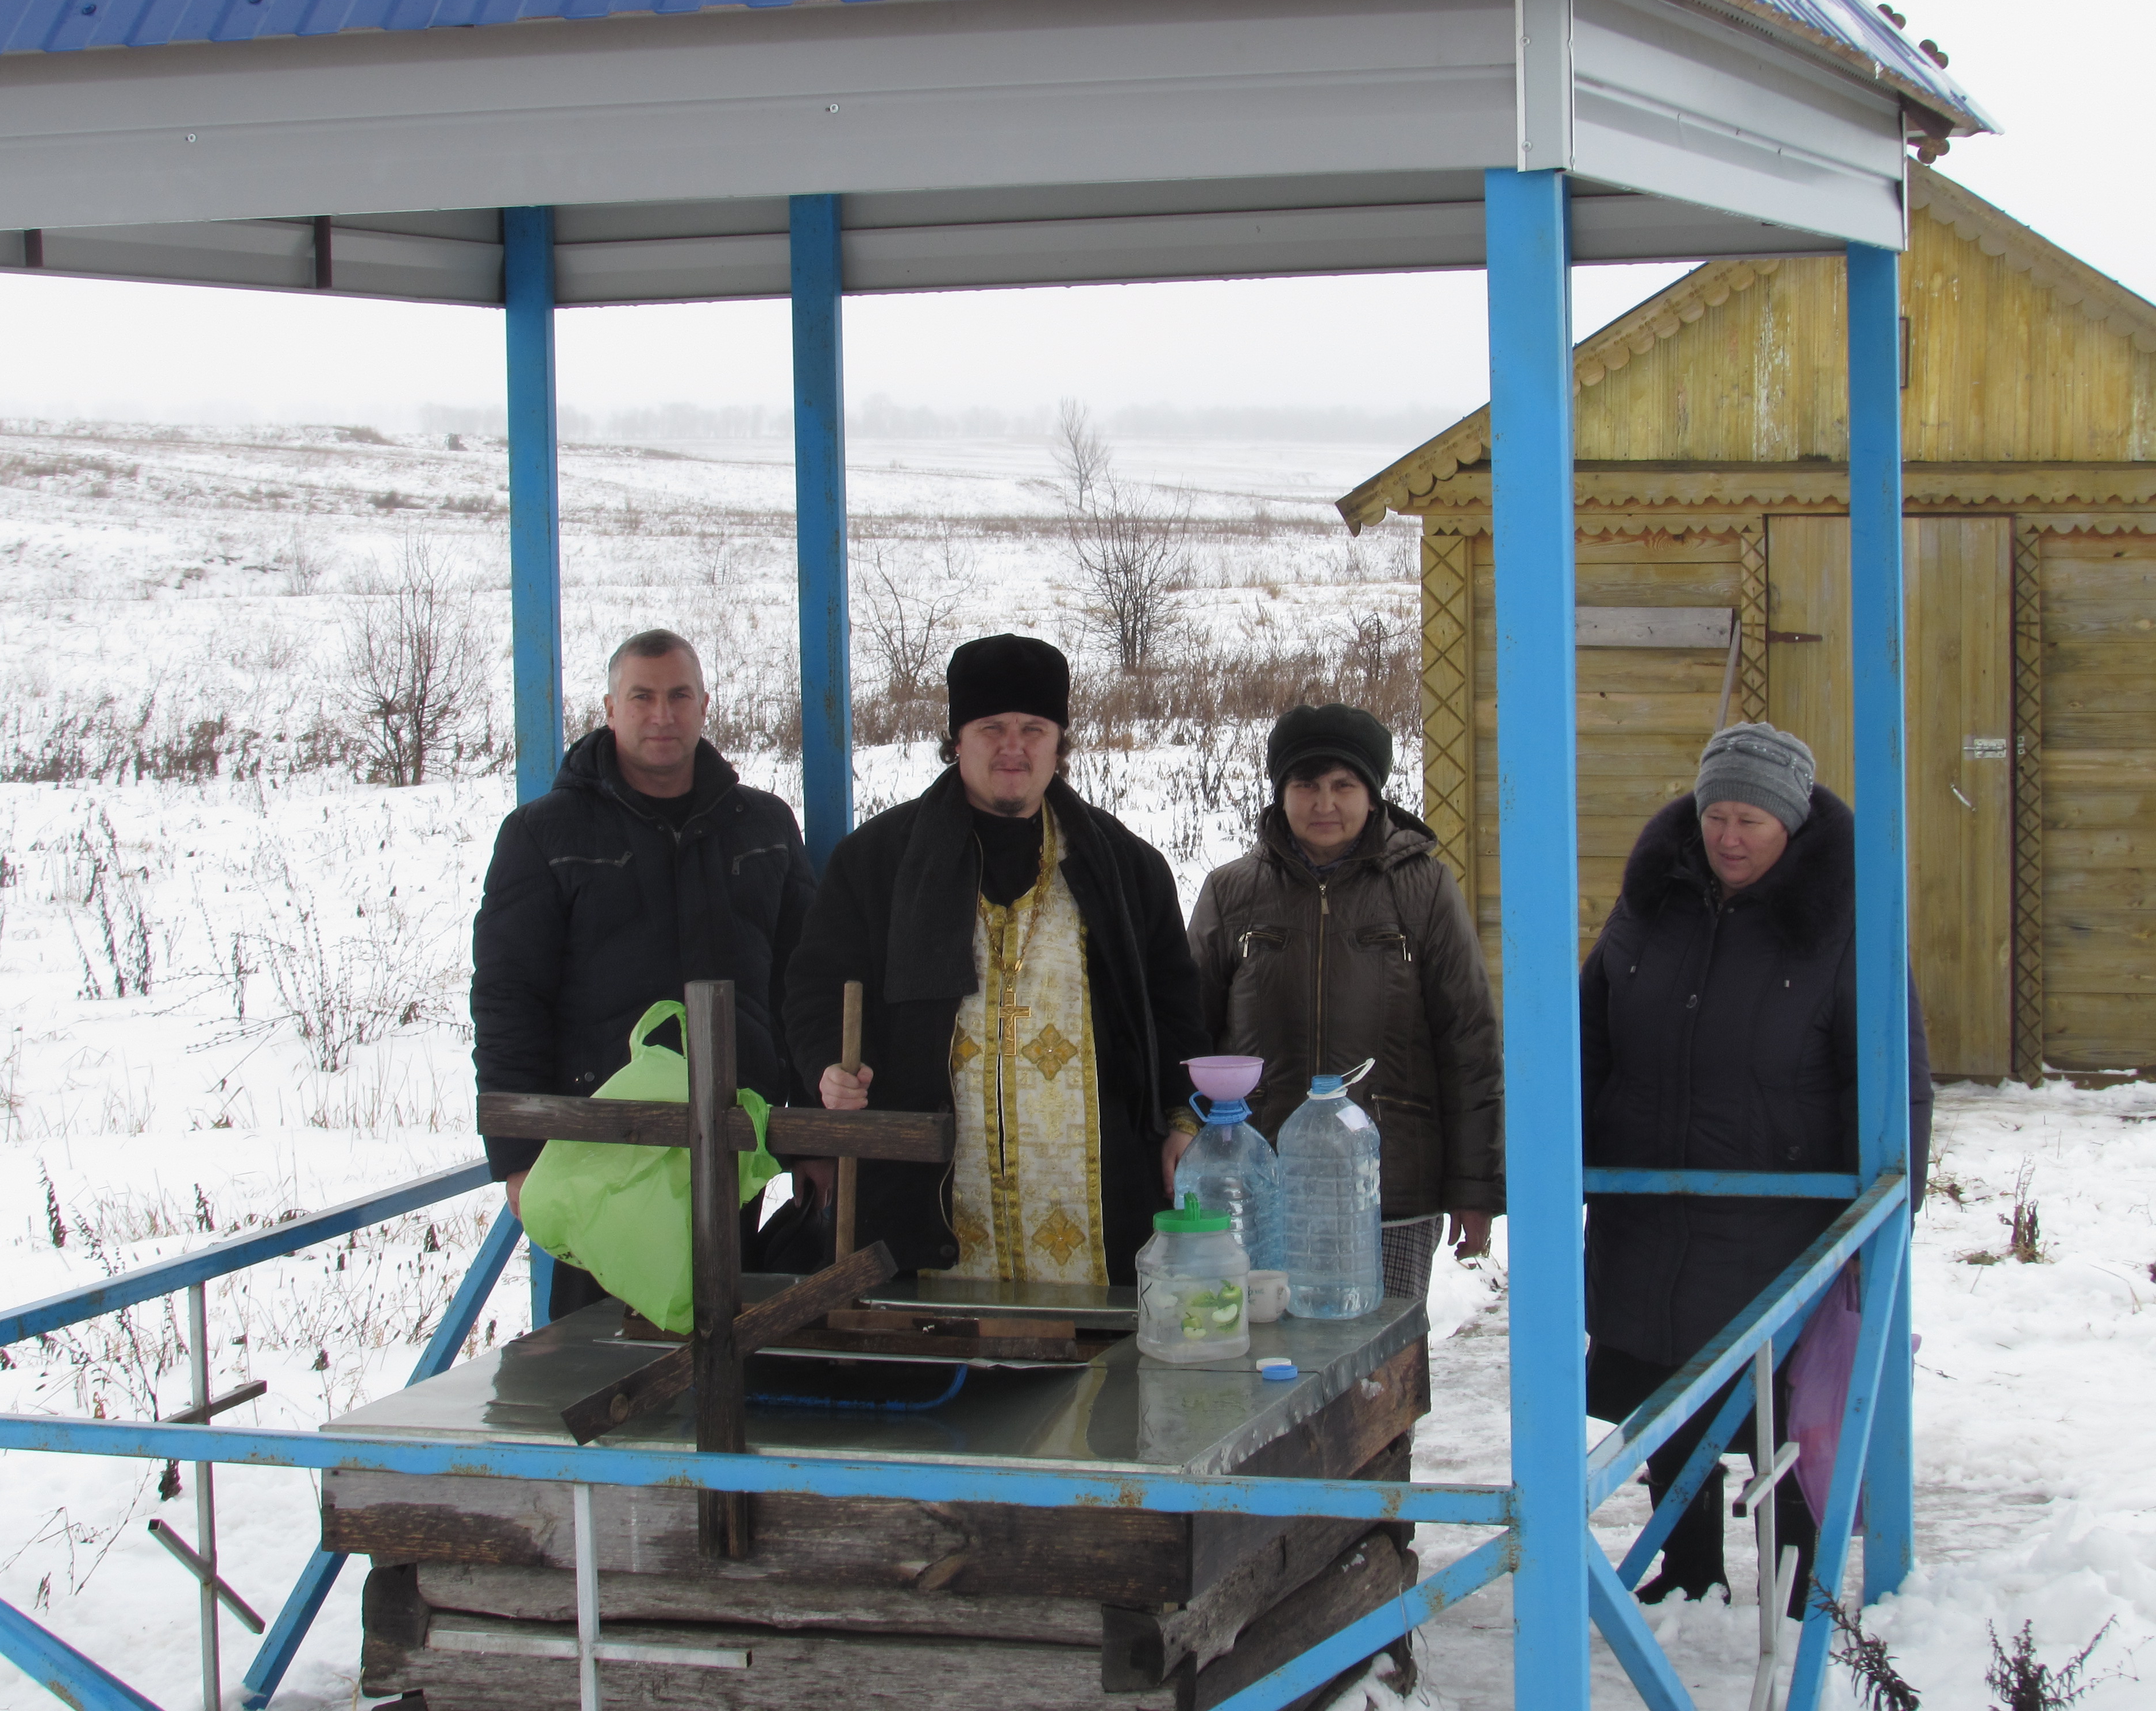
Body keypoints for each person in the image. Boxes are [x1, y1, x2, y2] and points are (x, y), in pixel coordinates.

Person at [1580, 722, 1930, 1609]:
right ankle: (1688, 1566)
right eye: (1717, 817)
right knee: (1664, 1392)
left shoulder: (1846, 924)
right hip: (1649, 1206)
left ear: (1794, 827)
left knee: (1782, 1407)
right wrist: (1561, 1158)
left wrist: (1888, 1217)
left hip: (1781, 1221)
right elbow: (1588, 1032)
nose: (1729, 838)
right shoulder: (1650, 903)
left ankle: (1797, 1580)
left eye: (1753, 823)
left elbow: (1896, 1084)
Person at [783, 634, 1209, 1284]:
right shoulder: (878, 862)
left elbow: (1174, 1003)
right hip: (927, 1191)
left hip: (1094, 1196)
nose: (1014, 748)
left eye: (1034, 729)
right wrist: (826, 1067)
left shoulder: (1125, 867)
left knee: (1093, 1371)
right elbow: (816, 984)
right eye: (991, 729)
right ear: (956, 740)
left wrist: (1182, 1115)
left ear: (1059, 743)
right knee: (946, 1367)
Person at [470, 629, 816, 1315]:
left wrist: (812, 1138)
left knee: (736, 1347)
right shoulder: (544, 835)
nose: (663, 714)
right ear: (610, 708)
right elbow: (509, 998)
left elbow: (805, 985)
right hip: (602, 1154)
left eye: (679, 695)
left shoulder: (765, 826)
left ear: (705, 705)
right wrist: (516, 1155)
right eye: (643, 697)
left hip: (735, 1145)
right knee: (601, 1360)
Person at [1187, 703, 1504, 1303]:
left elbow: (1468, 1041)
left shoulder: (1424, 890)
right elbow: (1189, 1033)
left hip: (1390, 1187)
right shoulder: (1231, 892)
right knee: (1264, 1371)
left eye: (1343, 785)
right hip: (1261, 1186)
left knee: (1377, 1377)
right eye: (1305, 785)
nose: (1323, 804)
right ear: (1281, 793)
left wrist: (1474, 1185)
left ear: (1373, 794)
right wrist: (1191, 1147)